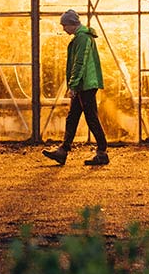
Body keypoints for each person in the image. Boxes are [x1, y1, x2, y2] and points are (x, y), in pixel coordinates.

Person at [43, 9, 108, 166]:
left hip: (85, 84)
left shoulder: (83, 38)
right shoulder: (81, 37)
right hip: (83, 83)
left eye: (64, 25)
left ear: (72, 24)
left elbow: (80, 63)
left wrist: (72, 85)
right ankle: (63, 151)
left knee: (91, 117)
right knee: (73, 117)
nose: (63, 28)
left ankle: (102, 152)